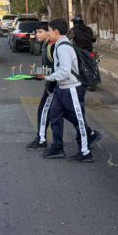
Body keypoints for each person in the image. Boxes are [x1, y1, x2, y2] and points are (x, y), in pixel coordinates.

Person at [38, 19, 94, 162]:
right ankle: (57, 147)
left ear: (56, 32)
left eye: (49, 31)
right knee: (54, 115)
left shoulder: (63, 46)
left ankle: (85, 152)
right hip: (62, 88)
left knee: (78, 120)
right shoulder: (59, 44)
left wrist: (48, 77)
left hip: (72, 88)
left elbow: (64, 71)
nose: (48, 33)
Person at [26, 22, 55, 150]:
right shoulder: (46, 45)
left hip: (54, 85)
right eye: (36, 32)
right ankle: (89, 133)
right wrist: (36, 74)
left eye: (40, 32)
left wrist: (43, 75)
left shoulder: (53, 47)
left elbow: (57, 69)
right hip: (54, 83)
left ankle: (41, 140)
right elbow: (48, 68)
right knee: (69, 114)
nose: (37, 34)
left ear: (49, 32)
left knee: (43, 110)